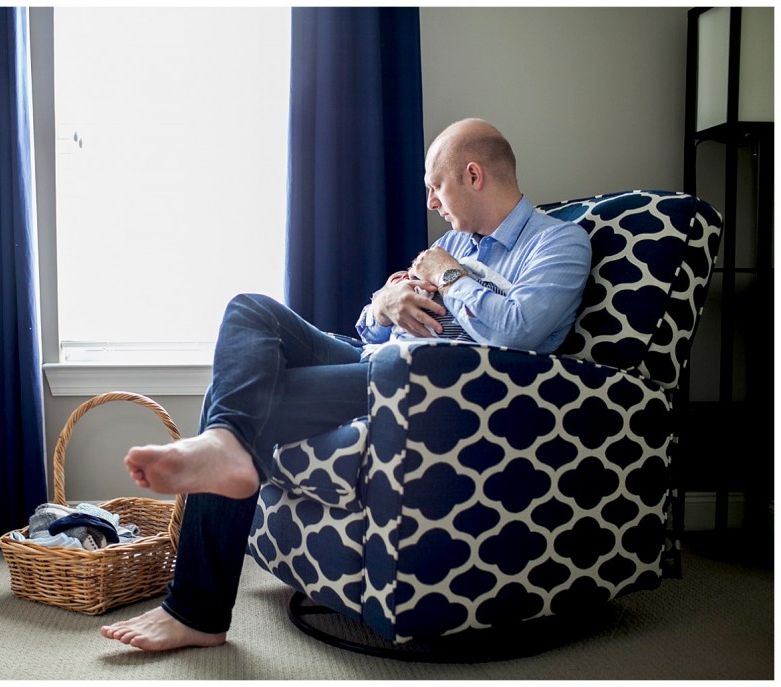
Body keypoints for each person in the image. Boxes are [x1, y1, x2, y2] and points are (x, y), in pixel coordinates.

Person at [100, 118, 592, 651]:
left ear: (473, 175)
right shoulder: (453, 241)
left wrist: (449, 274)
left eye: (436, 185)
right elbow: (367, 327)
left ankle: (197, 606)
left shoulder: (557, 242)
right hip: (372, 358)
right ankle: (222, 444)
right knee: (249, 312)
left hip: (425, 388)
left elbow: (517, 332)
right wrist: (384, 306)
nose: (431, 202)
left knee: (246, 406)